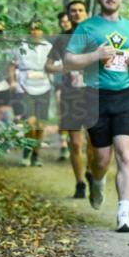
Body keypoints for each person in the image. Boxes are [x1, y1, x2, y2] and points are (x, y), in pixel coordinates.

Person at [64, 0, 129, 232]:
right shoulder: (86, 27)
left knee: (125, 154)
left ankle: (124, 214)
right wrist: (95, 56)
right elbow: (69, 60)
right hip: (95, 96)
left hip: (126, 96)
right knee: (100, 159)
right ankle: (97, 180)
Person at [47, 0, 91, 198]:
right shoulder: (62, 39)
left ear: (86, 13)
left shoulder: (95, 34)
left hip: (93, 94)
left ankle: (91, 171)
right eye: (73, 11)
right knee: (74, 142)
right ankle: (80, 182)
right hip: (70, 94)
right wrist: (63, 68)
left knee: (95, 141)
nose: (77, 13)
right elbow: (48, 66)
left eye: (81, 10)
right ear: (69, 15)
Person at [11, 18, 53, 167]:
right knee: (30, 122)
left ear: (42, 31)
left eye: (38, 28)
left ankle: (36, 154)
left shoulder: (48, 46)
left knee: (40, 124)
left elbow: (54, 65)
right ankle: (27, 151)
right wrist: (12, 81)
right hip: (24, 84)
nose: (35, 31)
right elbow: (12, 64)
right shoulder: (20, 45)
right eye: (32, 29)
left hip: (43, 85)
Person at [54, 11, 73, 161]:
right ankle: (63, 144)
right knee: (63, 112)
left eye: (67, 21)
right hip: (61, 80)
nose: (65, 23)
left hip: (80, 82)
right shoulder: (59, 39)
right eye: (62, 21)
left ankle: (74, 143)